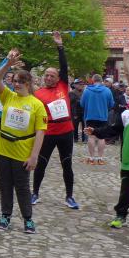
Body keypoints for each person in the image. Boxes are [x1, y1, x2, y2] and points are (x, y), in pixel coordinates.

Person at [0, 49, 47, 234]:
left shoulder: (36, 104)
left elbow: (40, 132)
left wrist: (34, 156)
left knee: (22, 187)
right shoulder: (8, 96)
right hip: (3, 148)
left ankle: (28, 219)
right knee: (5, 184)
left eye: (21, 81)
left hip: (22, 151)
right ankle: (5, 215)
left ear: (28, 83)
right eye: (15, 81)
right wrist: (8, 64)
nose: (17, 84)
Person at [85, 87, 129, 228]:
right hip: (128, 159)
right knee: (126, 191)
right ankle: (121, 215)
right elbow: (113, 130)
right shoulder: (126, 114)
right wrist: (96, 131)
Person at [31, 32, 79, 209]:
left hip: (66, 132)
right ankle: (35, 193)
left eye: (52, 75)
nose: (49, 77)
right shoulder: (38, 93)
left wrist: (60, 46)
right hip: (48, 133)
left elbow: (64, 66)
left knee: (67, 164)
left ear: (58, 78)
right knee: (41, 164)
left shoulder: (62, 86)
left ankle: (69, 196)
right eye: (47, 75)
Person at [80, 74, 115, 164]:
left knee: (91, 136)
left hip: (90, 116)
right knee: (101, 137)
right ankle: (100, 158)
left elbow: (82, 104)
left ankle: (92, 158)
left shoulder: (87, 90)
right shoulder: (107, 90)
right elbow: (111, 104)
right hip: (103, 116)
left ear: (93, 80)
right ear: (101, 80)